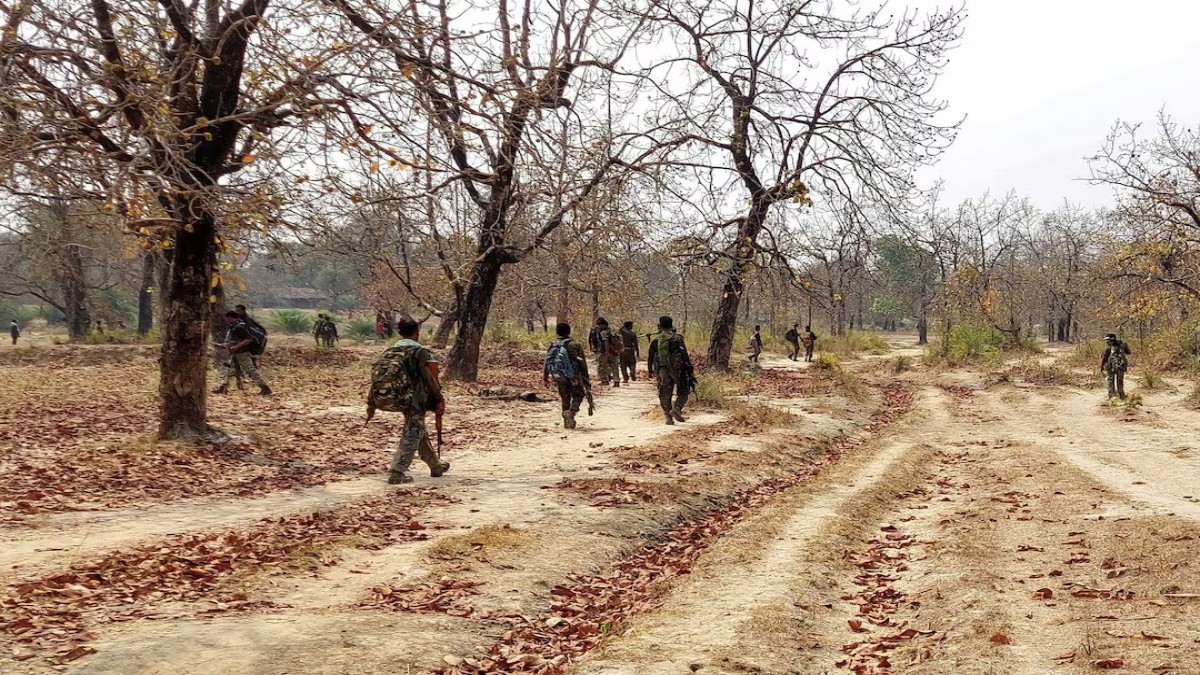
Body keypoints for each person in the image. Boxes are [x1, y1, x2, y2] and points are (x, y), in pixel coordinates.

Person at [387, 316, 451, 484]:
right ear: (417, 332)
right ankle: (397, 471)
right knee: (413, 431)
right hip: (415, 398)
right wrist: (439, 398)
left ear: (400, 332)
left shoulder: (392, 350)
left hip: (396, 396)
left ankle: (435, 465)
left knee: (416, 426)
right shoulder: (419, 352)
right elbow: (429, 378)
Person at [543, 322, 592, 429]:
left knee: (565, 397)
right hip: (574, 376)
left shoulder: (553, 344)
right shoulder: (575, 345)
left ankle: (566, 419)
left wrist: (545, 378)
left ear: (557, 332)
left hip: (559, 376)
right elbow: (582, 364)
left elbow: (547, 361)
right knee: (578, 395)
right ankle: (572, 412)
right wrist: (586, 381)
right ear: (569, 331)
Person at [648, 315, 693, 425]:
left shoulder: (655, 339)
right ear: (671, 325)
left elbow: (650, 357)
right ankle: (677, 408)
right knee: (684, 391)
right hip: (678, 369)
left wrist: (650, 370)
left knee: (664, 393)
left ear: (659, 325)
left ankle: (668, 417)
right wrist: (689, 368)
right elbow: (684, 354)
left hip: (662, 370)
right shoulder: (677, 338)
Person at [214, 310, 271, 395]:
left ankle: (265, 387)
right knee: (226, 369)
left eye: (226, 318)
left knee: (250, 370)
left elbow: (248, 339)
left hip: (242, 353)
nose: (225, 320)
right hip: (235, 353)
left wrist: (235, 347)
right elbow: (236, 340)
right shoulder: (235, 326)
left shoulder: (240, 327)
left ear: (230, 317)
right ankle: (223, 387)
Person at [1101, 333, 1131, 400]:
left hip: (1111, 366)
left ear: (1111, 339)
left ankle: (1111, 396)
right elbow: (1129, 352)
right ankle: (1121, 395)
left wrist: (1101, 367)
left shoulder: (1109, 348)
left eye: (1107, 340)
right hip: (1121, 366)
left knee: (1110, 380)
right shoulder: (1123, 345)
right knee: (1120, 380)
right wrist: (1124, 346)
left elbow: (1104, 358)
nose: (1107, 342)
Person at [593, 317, 621, 387]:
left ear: (603, 325)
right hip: (614, 352)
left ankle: (604, 381)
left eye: (599, 325)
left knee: (602, 367)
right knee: (614, 367)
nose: (598, 327)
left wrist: (607, 352)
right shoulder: (611, 331)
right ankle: (616, 381)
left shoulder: (603, 332)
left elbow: (606, 342)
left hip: (604, 352)